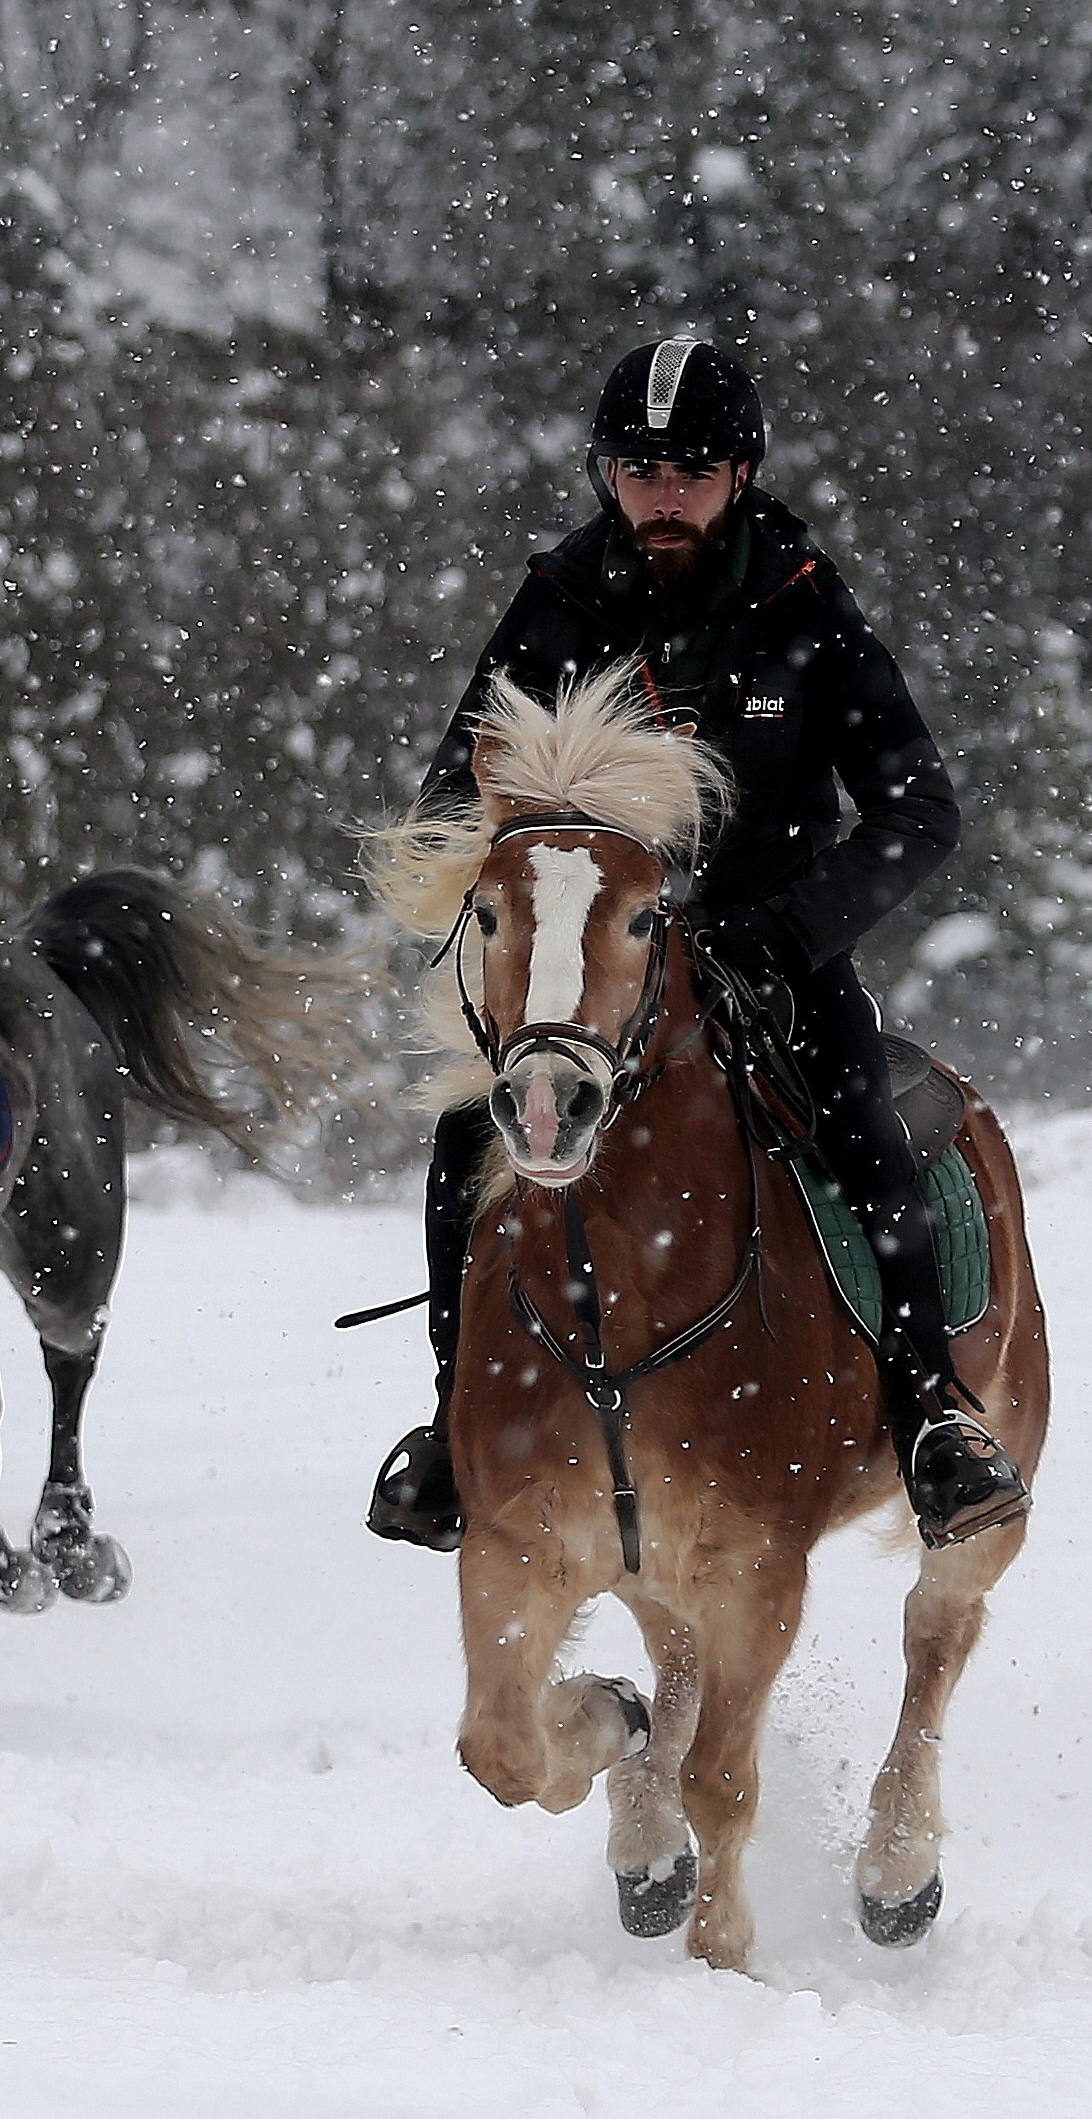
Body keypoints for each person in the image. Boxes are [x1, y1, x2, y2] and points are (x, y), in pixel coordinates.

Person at [365, 337, 1029, 1553]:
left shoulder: (805, 603)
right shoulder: (559, 601)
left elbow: (920, 807)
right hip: (592, 971)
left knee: (860, 1117)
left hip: (770, 952)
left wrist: (786, 930)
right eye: (638, 468)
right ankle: (457, 1419)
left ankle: (930, 1405)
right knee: (471, 1133)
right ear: (604, 473)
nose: (662, 493)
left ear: (741, 475)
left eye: (692, 470)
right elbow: (457, 791)